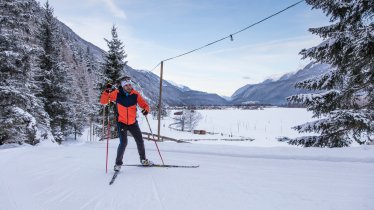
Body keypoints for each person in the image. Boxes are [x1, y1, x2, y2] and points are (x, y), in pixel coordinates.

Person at [100, 77, 153, 171]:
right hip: (122, 122)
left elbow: (144, 105)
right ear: (123, 86)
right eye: (126, 85)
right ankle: (118, 164)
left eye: (130, 85)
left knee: (140, 141)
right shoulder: (116, 94)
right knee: (123, 143)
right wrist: (107, 91)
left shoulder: (135, 94)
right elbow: (104, 101)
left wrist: (146, 110)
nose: (129, 87)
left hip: (133, 122)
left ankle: (143, 160)